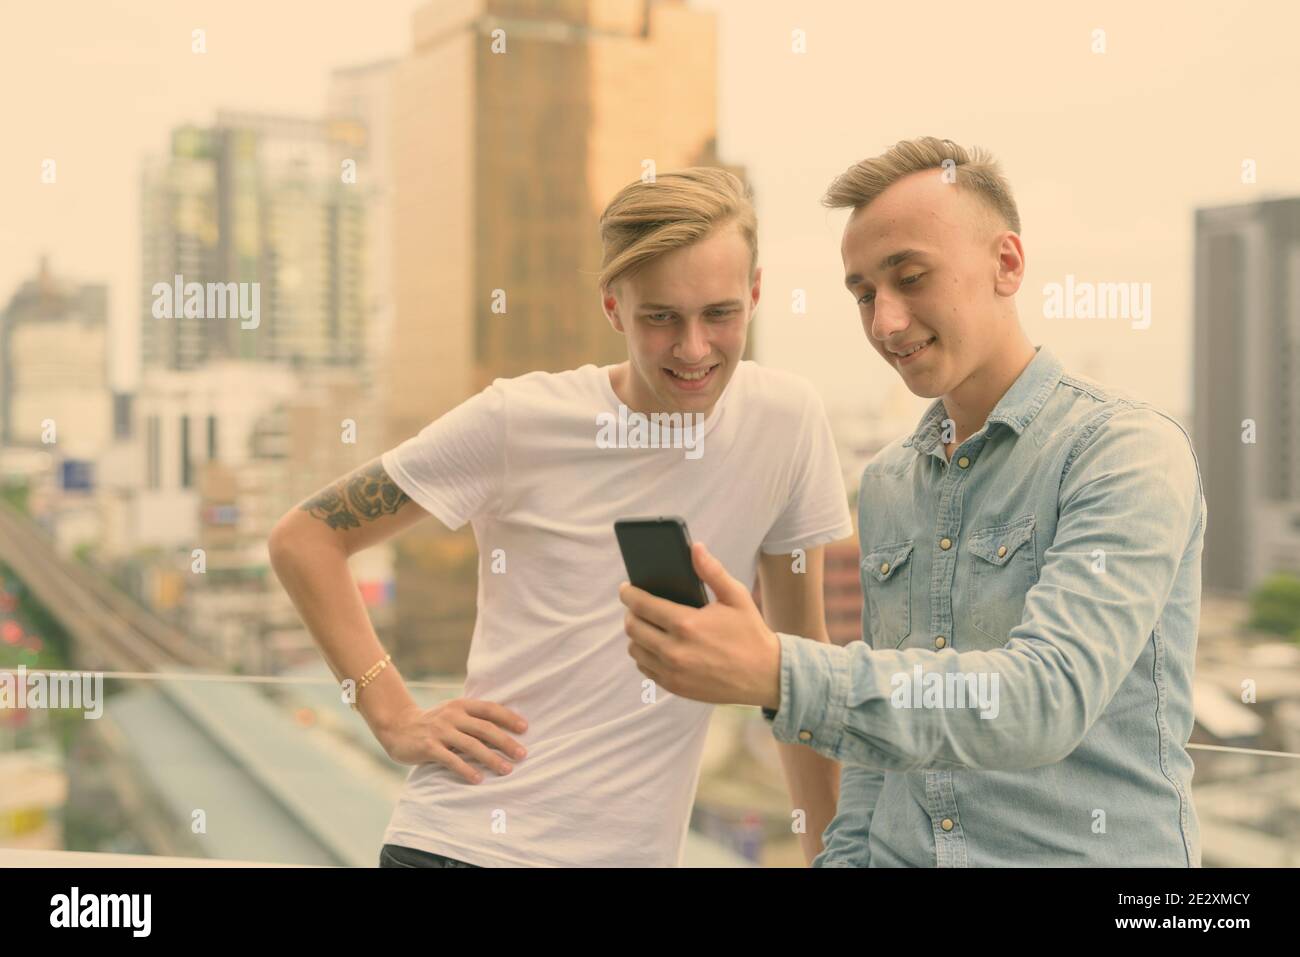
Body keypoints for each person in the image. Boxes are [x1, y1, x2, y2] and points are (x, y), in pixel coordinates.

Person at [620, 137, 1207, 866]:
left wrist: (778, 671)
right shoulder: (892, 482)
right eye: (864, 293)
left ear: (1007, 263)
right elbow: (879, 760)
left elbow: (1044, 699)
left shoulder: (1122, 450)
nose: (886, 322)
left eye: (911, 277)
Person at [269, 167, 854, 867]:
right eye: (660, 316)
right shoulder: (519, 419)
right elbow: (305, 538)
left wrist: (831, 856)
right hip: (459, 846)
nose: (694, 348)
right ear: (613, 307)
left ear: (756, 294)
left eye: (719, 314)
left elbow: (798, 663)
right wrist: (391, 714)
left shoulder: (786, 423)